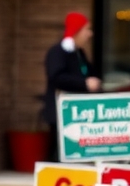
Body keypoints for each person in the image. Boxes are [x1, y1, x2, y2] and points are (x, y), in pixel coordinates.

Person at [42, 12, 101, 159]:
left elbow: (89, 73)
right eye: (86, 30)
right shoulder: (57, 52)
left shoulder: (79, 53)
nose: (90, 34)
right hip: (61, 112)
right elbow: (56, 77)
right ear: (77, 31)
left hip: (79, 113)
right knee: (58, 153)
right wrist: (84, 83)